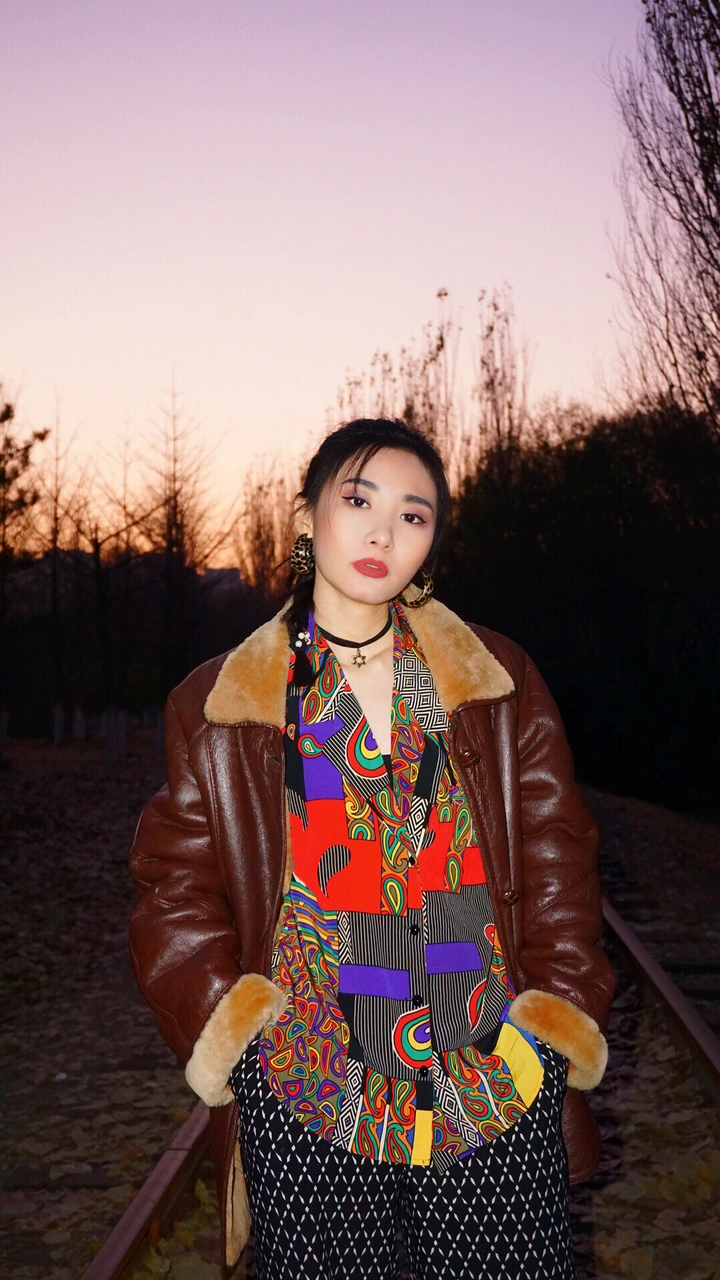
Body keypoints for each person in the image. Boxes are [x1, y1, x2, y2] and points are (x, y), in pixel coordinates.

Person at [129, 417, 615, 1280]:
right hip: (309, 1082)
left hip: (489, 1074)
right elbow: (174, 891)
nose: (384, 532)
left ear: (431, 543)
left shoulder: (495, 679)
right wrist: (241, 1037)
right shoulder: (220, 703)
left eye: (413, 514)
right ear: (308, 517)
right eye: (359, 501)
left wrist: (551, 1024)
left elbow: (559, 856)